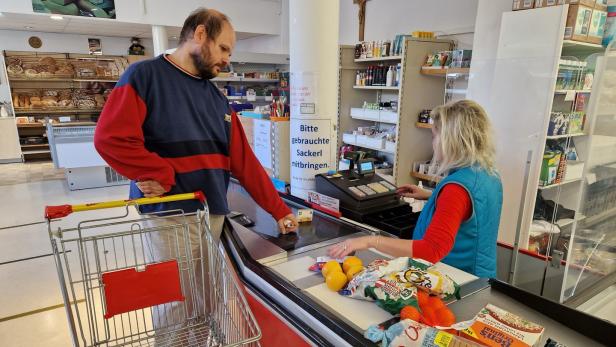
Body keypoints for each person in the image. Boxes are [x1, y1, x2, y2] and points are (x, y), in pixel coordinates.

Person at [328, 100, 503, 278]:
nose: (433, 143)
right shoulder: (489, 174)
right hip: (481, 276)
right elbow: (474, 208)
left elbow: (430, 250)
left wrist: (370, 241)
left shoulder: (456, 189)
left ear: (451, 140)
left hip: (456, 278)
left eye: (435, 136)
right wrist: (431, 196)